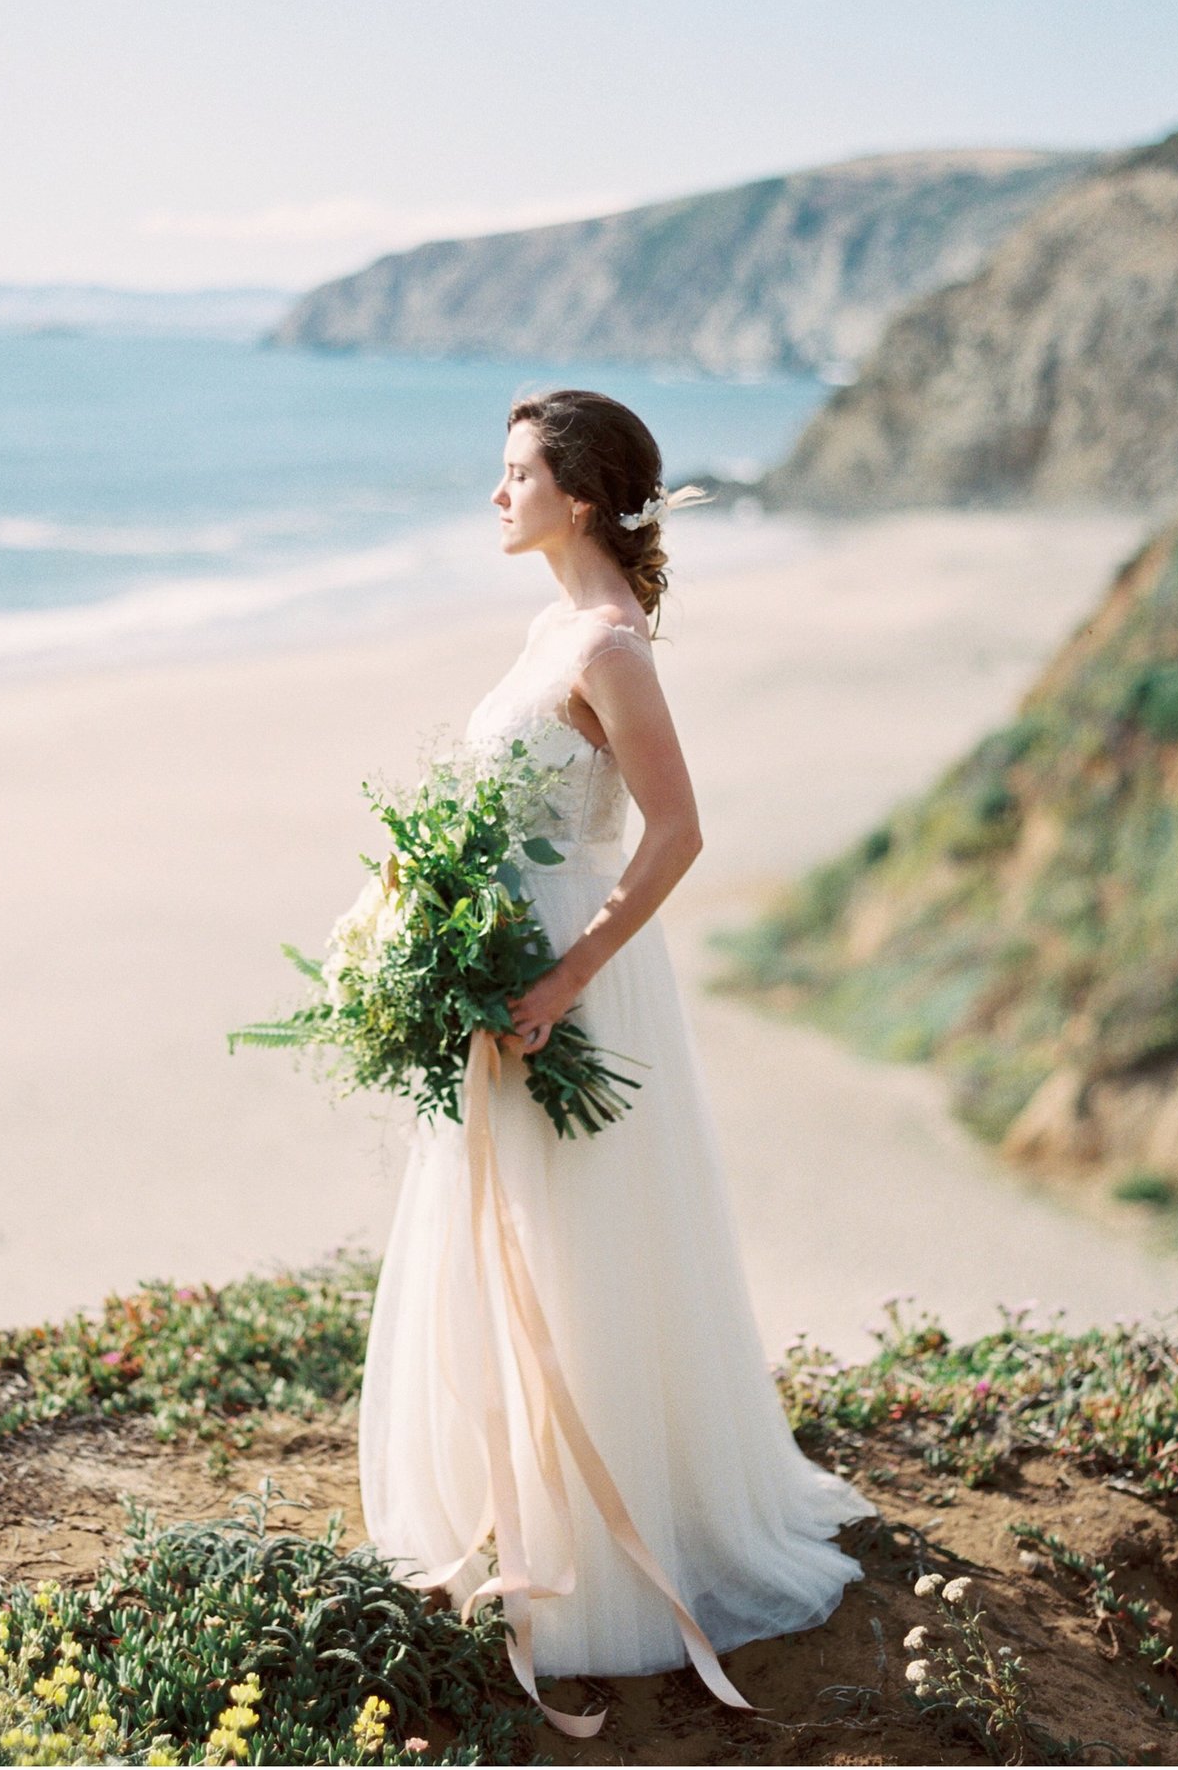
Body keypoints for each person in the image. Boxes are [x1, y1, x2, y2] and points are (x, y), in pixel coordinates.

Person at [357, 388, 877, 1735]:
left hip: (570, 986)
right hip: (505, 971)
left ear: (576, 498)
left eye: (516, 472)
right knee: (510, 1234)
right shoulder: (547, 626)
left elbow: (677, 829)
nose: (495, 494)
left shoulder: (611, 647)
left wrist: (564, 974)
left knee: (582, 1244)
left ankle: (604, 1545)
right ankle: (516, 1502)